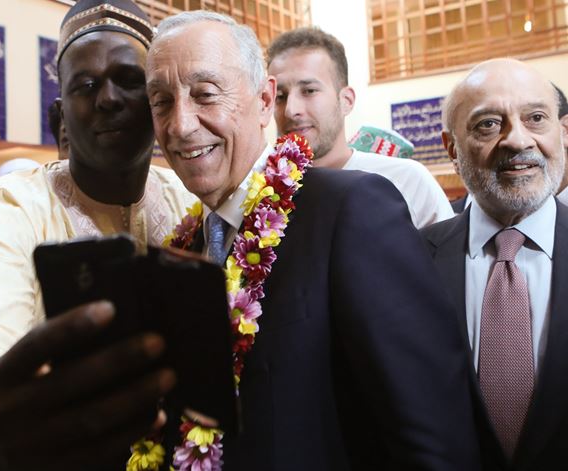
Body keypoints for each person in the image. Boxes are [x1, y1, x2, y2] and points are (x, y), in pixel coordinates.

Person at [145, 11, 478, 469]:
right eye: (161, 101)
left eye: (204, 94)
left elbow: (432, 437)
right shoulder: (183, 248)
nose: (180, 124)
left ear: (264, 100)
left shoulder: (352, 210)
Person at [0, 1, 195, 469]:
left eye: (128, 80)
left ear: (157, 99)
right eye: (85, 86)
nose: (108, 98)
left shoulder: (188, 197)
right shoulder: (12, 206)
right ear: (61, 115)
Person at [422, 58, 568, 470]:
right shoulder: (409, 263)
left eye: (536, 118)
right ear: (452, 148)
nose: (517, 140)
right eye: (488, 124)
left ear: (563, 132)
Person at [266, 27, 453, 228]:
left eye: (309, 91)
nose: (290, 110)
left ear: (346, 101)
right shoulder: (263, 190)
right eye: (280, 97)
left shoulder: (406, 181)